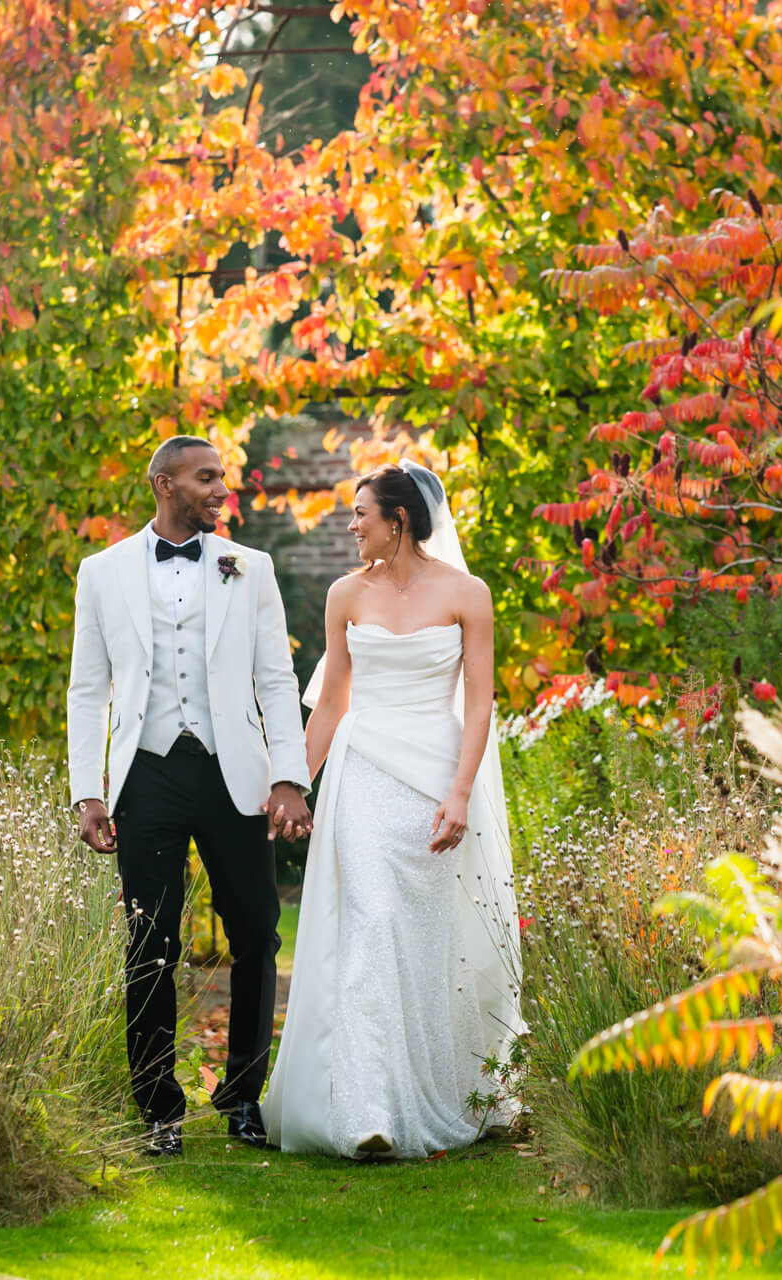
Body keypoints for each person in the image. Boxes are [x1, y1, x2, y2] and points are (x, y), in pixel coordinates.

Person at [264, 461, 523, 1160]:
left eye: (361, 515)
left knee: (426, 940)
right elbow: (334, 701)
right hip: (364, 773)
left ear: (399, 519)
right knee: (372, 922)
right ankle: (368, 1111)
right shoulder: (346, 594)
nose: (351, 526)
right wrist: (293, 782)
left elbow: (478, 706)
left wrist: (461, 793)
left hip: (436, 776)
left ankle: (438, 1090)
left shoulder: (468, 595)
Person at [66, 436, 313, 1156]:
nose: (219, 490)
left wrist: (287, 777)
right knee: (150, 942)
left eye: (221, 479)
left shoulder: (251, 567)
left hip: (233, 773)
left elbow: (276, 679)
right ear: (162, 483)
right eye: (206, 478)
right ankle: (159, 1109)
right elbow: (88, 690)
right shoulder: (101, 572)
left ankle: (242, 1099)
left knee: (257, 936)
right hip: (146, 775)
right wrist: (89, 793)